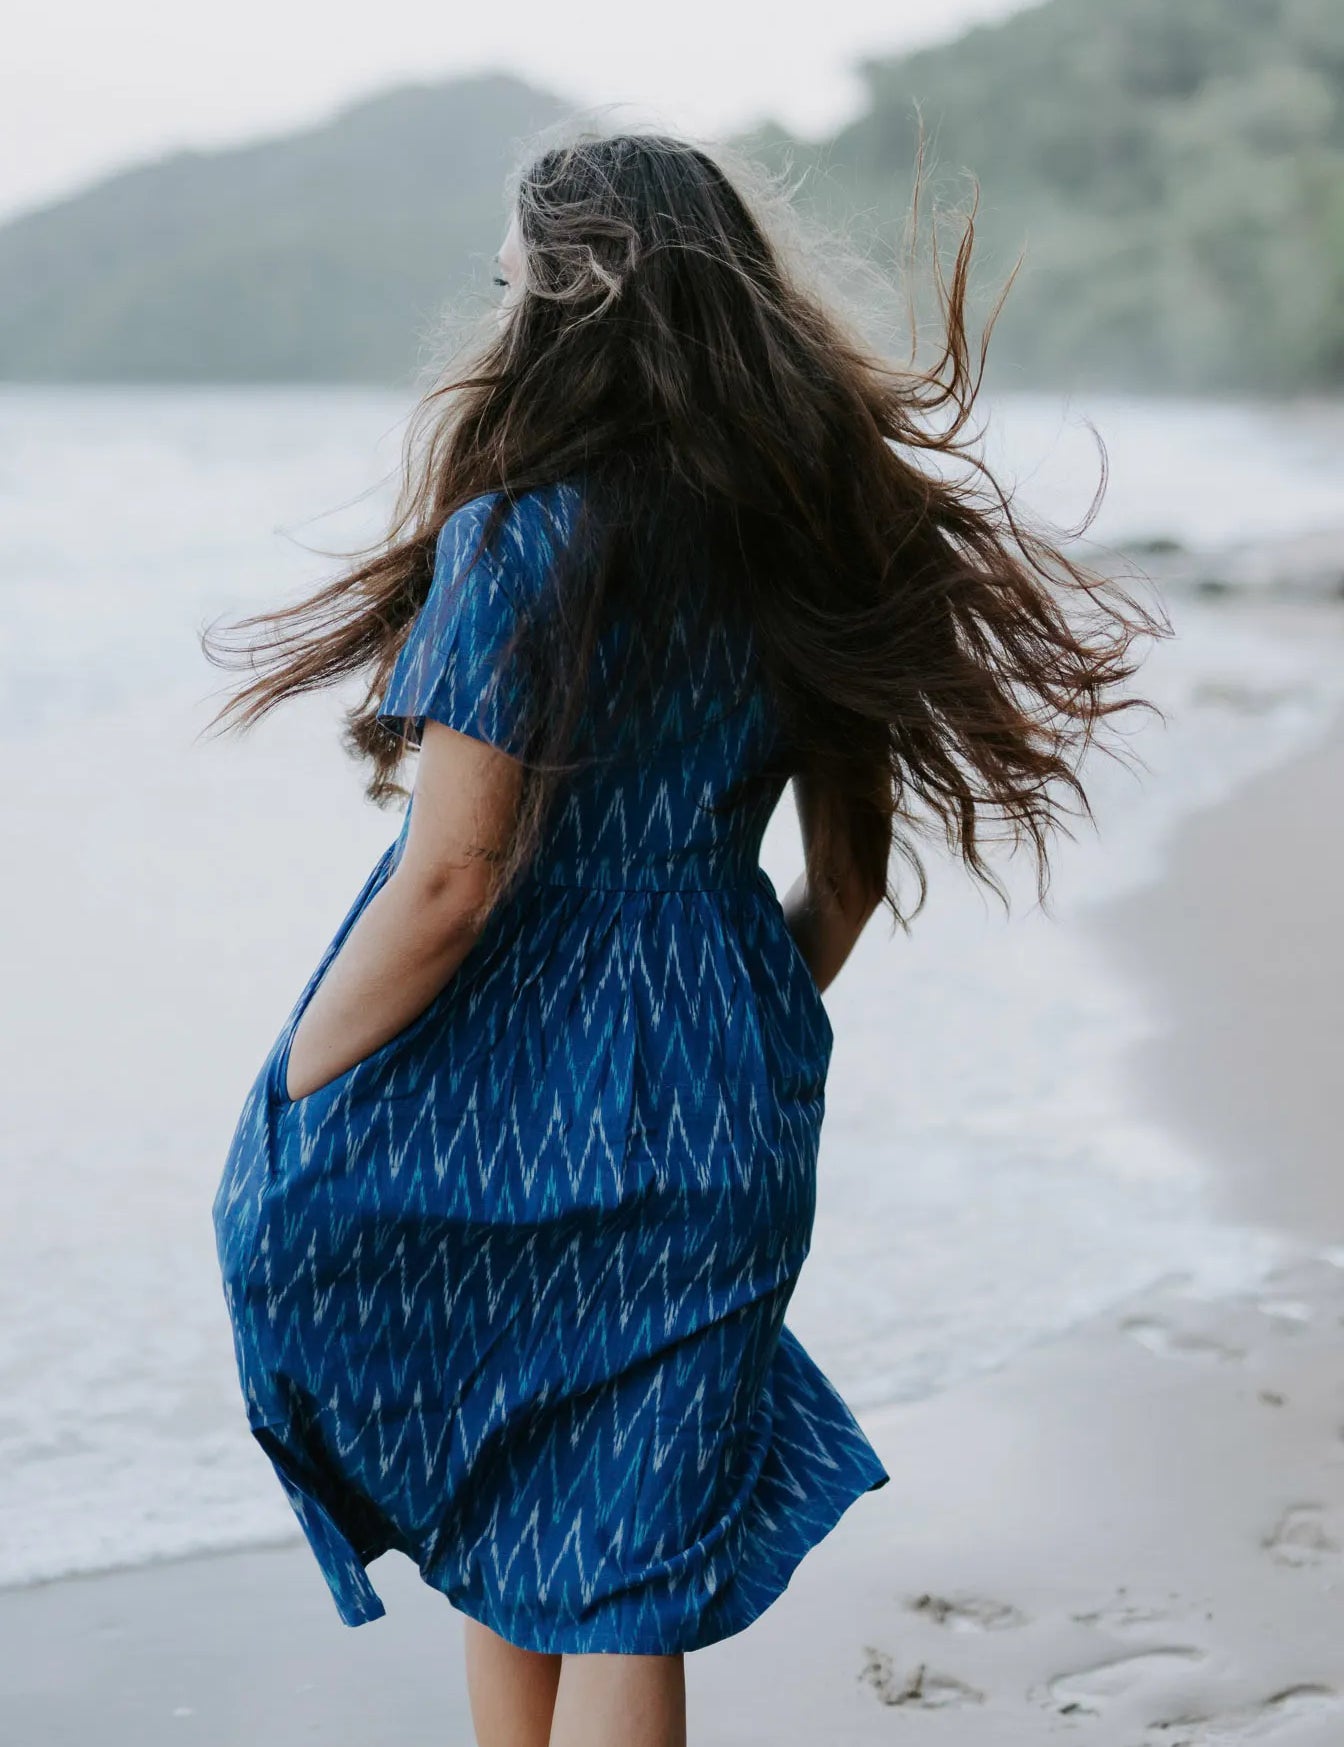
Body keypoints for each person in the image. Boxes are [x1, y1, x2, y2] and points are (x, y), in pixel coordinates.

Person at [203, 126, 1158, 1747]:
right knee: (610, 1544)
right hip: (723, 1059)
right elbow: (843, 888)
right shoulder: (824, 536)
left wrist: (298, 1087)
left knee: (515, 1486)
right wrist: (728, 1032)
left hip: (486, 1082)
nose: (496, 310)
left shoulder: (522, 539)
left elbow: (454, 883)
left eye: (508, 282)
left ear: (565, 301)